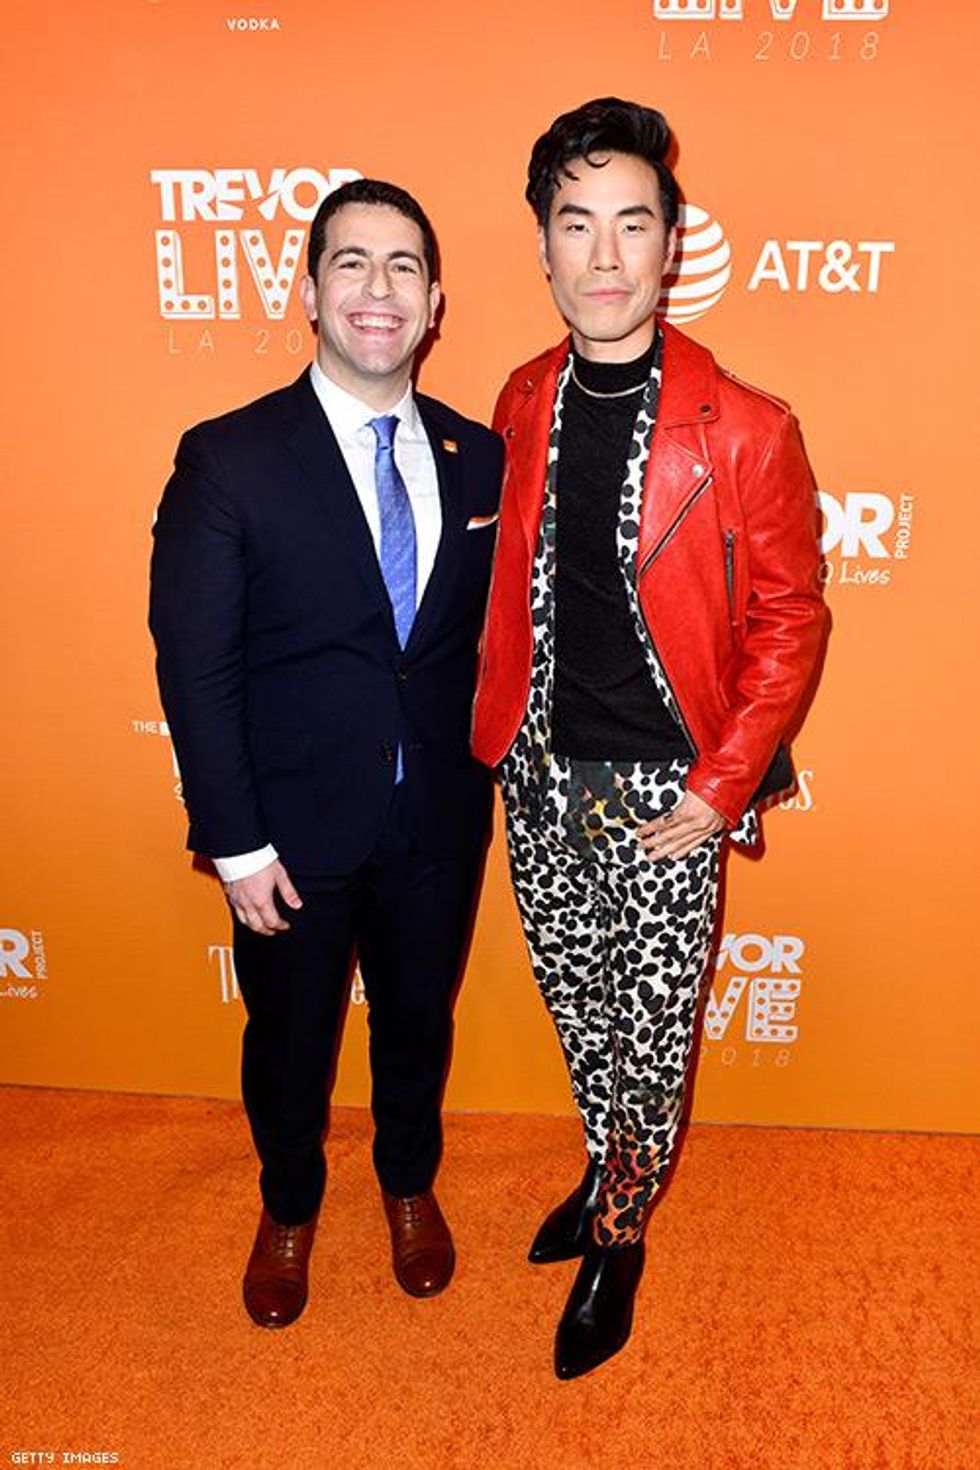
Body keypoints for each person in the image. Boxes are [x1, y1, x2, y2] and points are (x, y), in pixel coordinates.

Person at [472, 98, 828, 1378]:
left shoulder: (744, 426)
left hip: (667, 792)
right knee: (580, 1014)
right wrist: (506, 752)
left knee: (652, 1029)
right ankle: (601, 1166)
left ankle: (619, 1233)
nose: (606, 255)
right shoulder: (517, 400)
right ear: (544, 247)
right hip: (538, 772)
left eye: (633, 223)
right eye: (578, 226)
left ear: (671, 243)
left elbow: (790, 617)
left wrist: (724, 783)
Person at [150, 177, 503, 1328]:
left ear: (435, 299)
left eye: (403, 265)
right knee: (290, 1040)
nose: (378, 288)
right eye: (351, 262)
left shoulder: (479, 457)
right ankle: (289, 1204)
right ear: (308, 290)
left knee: (417, 1023)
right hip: (289, 836)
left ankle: (407, 1186)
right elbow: (194, 667)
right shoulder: (229, 458)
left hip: (436, 824)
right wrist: (237, 844)